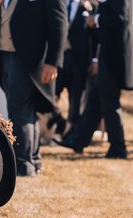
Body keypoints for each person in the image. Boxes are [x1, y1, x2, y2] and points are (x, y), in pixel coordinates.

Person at [0, 0, 68, 176]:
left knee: (19, 111)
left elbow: (59, 24)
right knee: (25, 112)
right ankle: (33, 161)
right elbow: (2, 23)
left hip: (29, 61)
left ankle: (23, 164)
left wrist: (53, 62)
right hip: (4, 57)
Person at [56, 0, 133, 159]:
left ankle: (118, 148)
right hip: (108, 56)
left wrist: (95, 19)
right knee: (95, 99)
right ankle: (78, 140)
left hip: (116, 58)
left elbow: (120, 18)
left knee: (109, 103)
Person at [47, 0, 98, 136]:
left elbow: (95, 36)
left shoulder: (90, 7)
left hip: (79, 61)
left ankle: (72, 133)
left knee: (75, 98)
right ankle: (55, 127)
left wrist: (94, 59)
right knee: (51, 95)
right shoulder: (57, 4)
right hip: (58, 59)